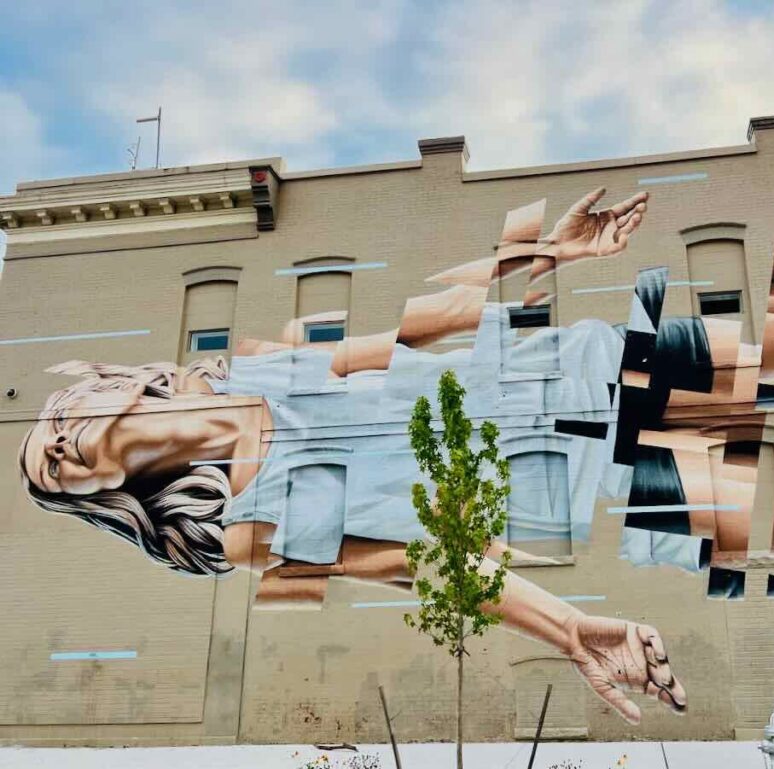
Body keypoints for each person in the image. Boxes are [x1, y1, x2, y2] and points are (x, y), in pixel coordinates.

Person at [19, 188, 688, 725]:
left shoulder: (252, 375)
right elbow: (422, 559)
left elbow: (414, 329)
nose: (51, 442)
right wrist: (569, 627)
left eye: (51, 422)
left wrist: (546, 256)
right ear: (102, 488)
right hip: (584, 463)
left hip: (573, 366)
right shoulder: (238, 524)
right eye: (50, 468)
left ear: (121, 386)